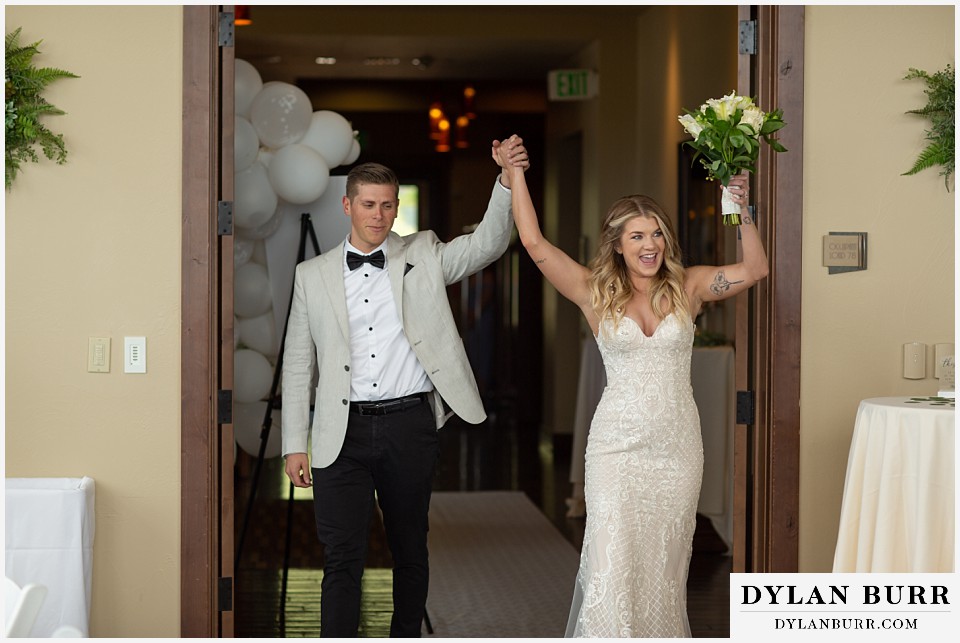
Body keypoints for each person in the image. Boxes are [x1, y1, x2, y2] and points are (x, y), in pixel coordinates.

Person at [497, 147, 766, 637]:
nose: (650, 244)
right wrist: (514, 175)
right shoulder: (593, 292)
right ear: (617, 245)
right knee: (610, 564)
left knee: (665, 570)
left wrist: (740, 207)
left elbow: (754, 270)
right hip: (616, 450)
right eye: (637, 235)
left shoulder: (690, 286)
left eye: (657, 233)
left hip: (676, 449)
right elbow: (535, 244)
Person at [281, 136, 530, 638]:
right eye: (368, 205)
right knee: (342, 557)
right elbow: (297, 363)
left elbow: (487, 243)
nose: (378, 215)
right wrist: (293, 444)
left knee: (410, 550)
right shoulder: (312, 275)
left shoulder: (425, 253)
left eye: (388, 205)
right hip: (340, 434)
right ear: (347, 204)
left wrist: (505, 180)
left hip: (409, 426)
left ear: (397, 206)